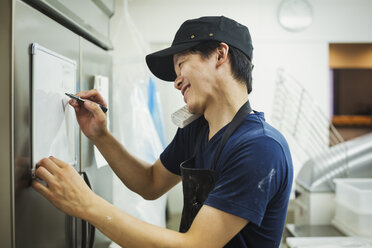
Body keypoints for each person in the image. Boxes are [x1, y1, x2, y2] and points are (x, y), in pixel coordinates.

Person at [32, 16, 293, 247]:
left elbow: (196, 245)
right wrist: (100, 135)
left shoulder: (261, 147)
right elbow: (151, 182)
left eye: (182, 64)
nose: (177, 81)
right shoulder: (197, 130)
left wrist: (87, 205)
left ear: (220, 55)